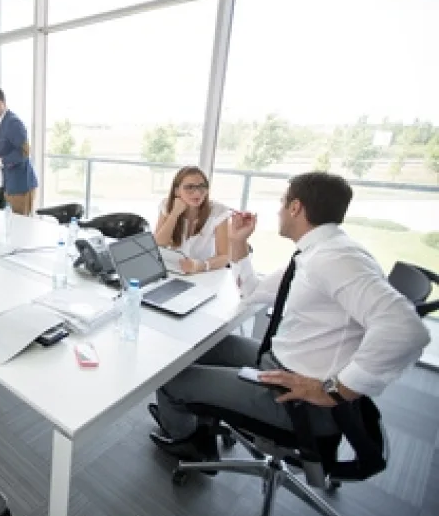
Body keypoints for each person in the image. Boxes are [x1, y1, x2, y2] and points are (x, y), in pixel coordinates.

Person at [148, 171, 429, 463]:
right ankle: (201, 415)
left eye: (282, 202)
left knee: (169, 377)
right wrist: (238, 242)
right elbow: (253, 292)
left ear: (295, 207)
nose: (279, 210)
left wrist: (334, 390)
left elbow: (407, 330)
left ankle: (188, 440)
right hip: (280, 363)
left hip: (296, 402)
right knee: (201, 346)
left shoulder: (334, 259)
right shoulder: (317, 251)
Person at [154, 166, 230, 274]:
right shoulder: (166, 205)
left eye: (202, 187)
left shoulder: (219, 211)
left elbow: (224, 257)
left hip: (204, 273)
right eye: (189, 187)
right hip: (173, 270)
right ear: (177, 191)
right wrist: (174, 214)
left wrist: (200, 266)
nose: (197, 193)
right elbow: (158, 244)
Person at [0, 86, 37, 215]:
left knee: (21, 227)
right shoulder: (0, 124)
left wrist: (2, 160)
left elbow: (24, 152)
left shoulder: (13, 122)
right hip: (10, 184)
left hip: (21, 185)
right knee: (12, 226)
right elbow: (2, 145)